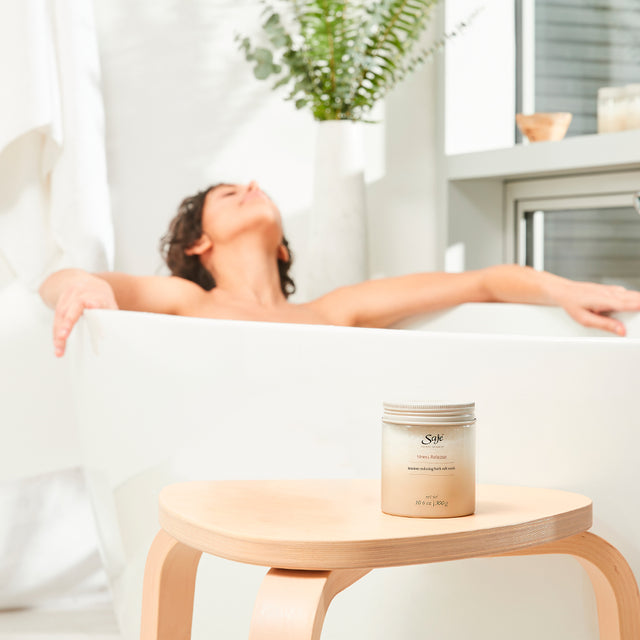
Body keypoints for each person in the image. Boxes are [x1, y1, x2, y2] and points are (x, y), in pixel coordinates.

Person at [40, 180, 640, 357]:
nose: (251, 186)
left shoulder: (333, 313)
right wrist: (84, 284)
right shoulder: (184, 301)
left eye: (255, 188)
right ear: (198, 244)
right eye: (229, 195)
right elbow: (59, 281)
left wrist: (562, 288)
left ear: (283, 249)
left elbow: (481, 282)